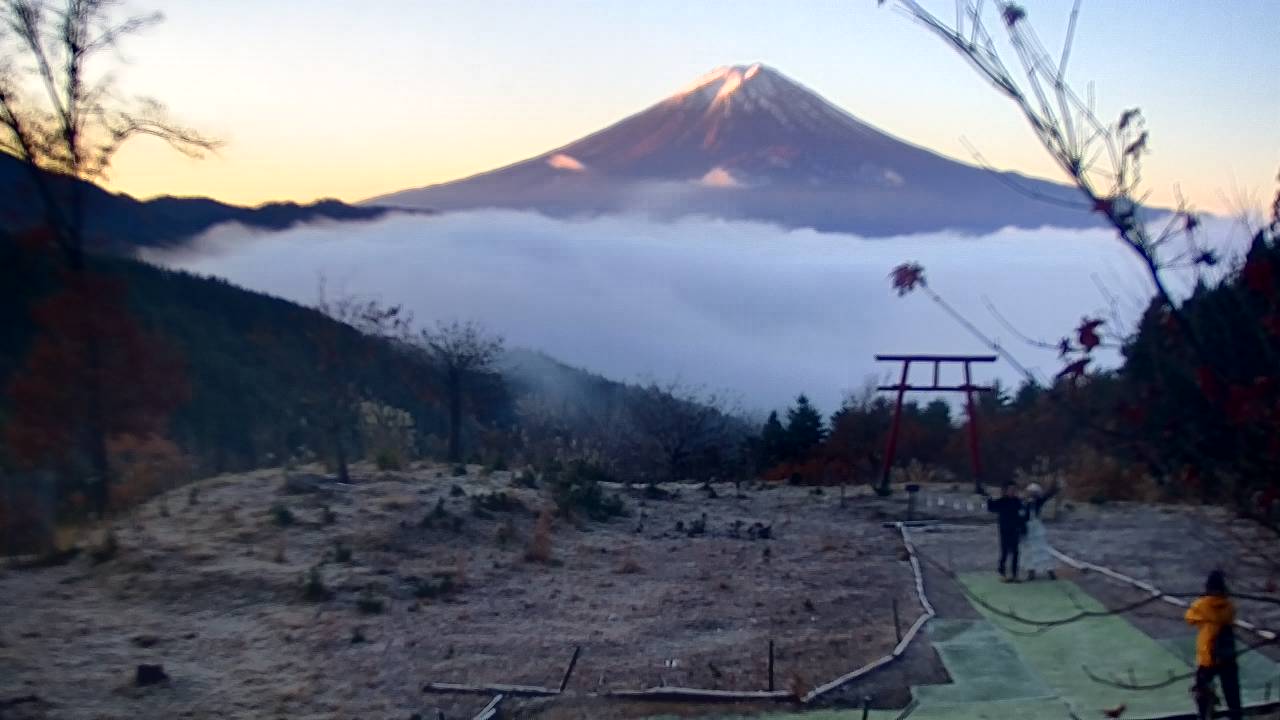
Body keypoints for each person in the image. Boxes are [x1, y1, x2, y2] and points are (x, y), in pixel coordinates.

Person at [1186, 570, 1242, 720]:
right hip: (1228, 654)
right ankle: (1236, 716)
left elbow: (1190, 618)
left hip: (1208, 655)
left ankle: (1204, 715)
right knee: (1232, 691)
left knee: (1202, 689)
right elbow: (1231, 618)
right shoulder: (1229, 606)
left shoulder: (1201, 605)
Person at [986, 482, 1025, 582]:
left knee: (1015, 552)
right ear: (1006, 491)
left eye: (1014, 490)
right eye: (1010, 490)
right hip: (1004, 529)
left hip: (1015, 529)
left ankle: (1014, 574)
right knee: (1004, 551)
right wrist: (989, 498)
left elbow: (1022, 515)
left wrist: (1023, 527)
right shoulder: (1002, 501)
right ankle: (1002, 573)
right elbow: (991, 508)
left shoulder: (1018, 501)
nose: (1012, 491)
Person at [1022, 482, 1060, 581]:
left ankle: (1050, 571)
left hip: (1036, 528)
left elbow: (1047, 496)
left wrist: (1054, 488)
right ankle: (1031, 572)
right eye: (1030, 492)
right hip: (1027, 528)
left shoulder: (1037, 502)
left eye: (1034, 493)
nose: (1032, 495)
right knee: (1028, 551)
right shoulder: (1024, 503)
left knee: (1042, 549)